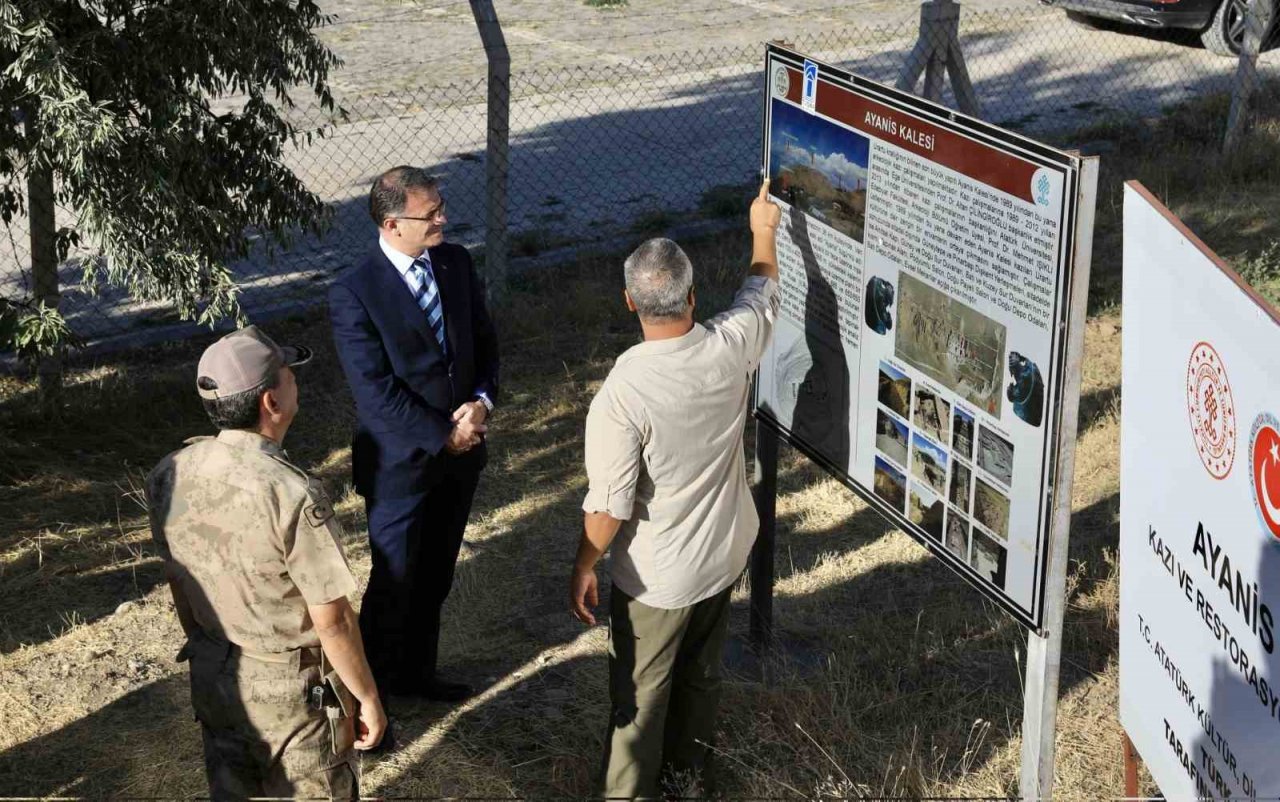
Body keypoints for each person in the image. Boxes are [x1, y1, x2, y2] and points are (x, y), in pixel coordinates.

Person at [570, 179, 782, 797]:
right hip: (724, 555)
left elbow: (609, 508)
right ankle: (689, 780)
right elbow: (761, 288)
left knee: (639, 703)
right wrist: (761, 228)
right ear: (693, 295)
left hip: (658, 579)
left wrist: (585, 561)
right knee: (701, 677)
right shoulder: (731, 345)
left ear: (629, 304)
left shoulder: (622, 396)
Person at [146, 326, 386, 799]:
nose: (296, 380)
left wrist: (207, 644)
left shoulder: (169, 473)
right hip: (294, 696)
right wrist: (369, 697)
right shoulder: (291, 493)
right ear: (270, 403)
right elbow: (333, 621)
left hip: (217, 674)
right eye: (288, 374)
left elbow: (178, 579)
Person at [328, 166, 499, 705]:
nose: (443, 218)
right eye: (431, 214)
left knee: (436, 575)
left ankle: (418, 675)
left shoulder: (455, 262)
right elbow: (375, 392)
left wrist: (481, 404)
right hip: (400, 463)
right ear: (391, 223)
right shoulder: (354, 293)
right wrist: (440, 435)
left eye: (441, 205)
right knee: (394, 581)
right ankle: (370, 697)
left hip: (461, 454)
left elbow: (485, 344)